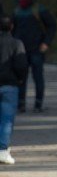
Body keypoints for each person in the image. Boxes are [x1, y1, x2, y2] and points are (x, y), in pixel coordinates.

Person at [12, 0, 56, 113]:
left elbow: (52, 26)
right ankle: (21, 104)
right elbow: (12, 30)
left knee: (38, 77)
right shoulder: (17, 11)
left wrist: (46, 43)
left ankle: (38, 103)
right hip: (20, 50)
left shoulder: (39, 10)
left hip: (36, 49)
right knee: (20, 78)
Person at [0, 15, 28, 164]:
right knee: (6, 120)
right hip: (10, 85)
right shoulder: (17, 44)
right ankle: (3, 150)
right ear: (11, 27)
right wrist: (20, 79)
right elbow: (22, 65)